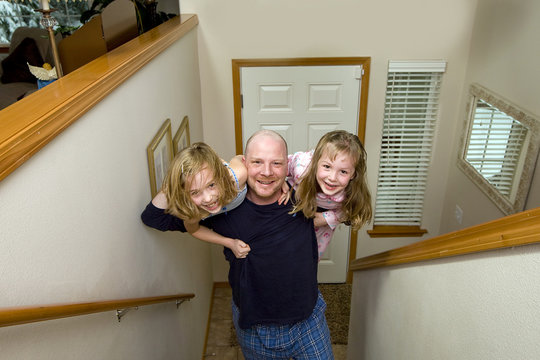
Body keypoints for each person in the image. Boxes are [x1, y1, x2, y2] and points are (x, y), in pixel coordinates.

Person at [141, 130, 334, 359]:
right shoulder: (219, 205)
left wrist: (297, 181)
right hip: (255, 328)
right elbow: (153, 217)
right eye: (257, 162)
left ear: (287, 165)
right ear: (244, 164)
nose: (267, 172)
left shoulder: (303, 194)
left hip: (309, 320)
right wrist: (185, 177)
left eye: (276, 163)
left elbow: (352, 202)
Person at [145, 142, 251, 258]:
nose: (208, 198)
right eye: (195, 192)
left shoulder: (238, 176)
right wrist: (230, 243)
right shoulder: (192, 209)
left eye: (211, 185)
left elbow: (240, 158)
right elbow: (194, 230)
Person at [288, 130, 372, 259]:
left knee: (309, 257)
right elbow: (279, 166)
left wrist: (328, 218)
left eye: (343, 171)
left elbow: (353, 210)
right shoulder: (302, 169)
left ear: (353, 175)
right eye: (327, 167)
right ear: (316, 163)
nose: (332, 178)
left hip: (320, 224)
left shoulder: (350, 192)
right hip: (292, 204)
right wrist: (281, 184)